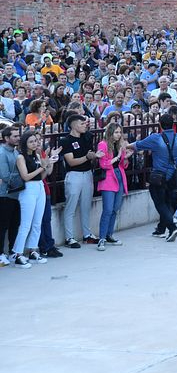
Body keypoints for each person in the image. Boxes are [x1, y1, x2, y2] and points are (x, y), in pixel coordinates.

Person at [128, 113, 177, 241]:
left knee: (160, 203)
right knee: (167, 202)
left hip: (158, 176)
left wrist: (124, 145)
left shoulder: (155, 138)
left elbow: (136, 145)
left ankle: (172, 228)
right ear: (173, 124)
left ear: (160, 125)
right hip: (174, 176)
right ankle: (161, 229)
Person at [11, 130, 59, 268]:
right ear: (24, 143)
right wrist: (42, 167)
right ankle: (17, 253)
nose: (35, 143)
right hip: (28, 190)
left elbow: (43, 175)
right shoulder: (21, 157)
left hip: (39, 187)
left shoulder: (37, 155)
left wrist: (49, 162)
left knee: (37, 222)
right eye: (31, 141)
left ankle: (33, 250)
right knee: (26, 223)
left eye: (36, 141)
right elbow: (25, 176)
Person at [60, 114, 100, 247]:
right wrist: (87, 157)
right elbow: (71, 161)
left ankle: (87, 234)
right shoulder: (65, 141)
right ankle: (69, 237)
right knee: (70, 207)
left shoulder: (87, 137)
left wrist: (93, 156)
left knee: (86, 206)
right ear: (74, 125)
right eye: (82, 124)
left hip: (87, 174)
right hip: (74, 175)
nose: (85, 126)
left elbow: (90, 154)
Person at [96, 122, 131, 251]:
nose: (118, 135)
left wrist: (125, 156)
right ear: (110, 132)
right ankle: (102, 238)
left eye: (119, 132)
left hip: (119, 176)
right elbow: (104, 163)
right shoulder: (103, 144)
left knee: (115, 208)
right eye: (116, 132)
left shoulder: (119, 145)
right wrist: (117, 157)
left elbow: (122, 164)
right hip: (108, 179)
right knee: (108, 209)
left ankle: (109, 234)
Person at [0, 127, 22, 267]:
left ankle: (12, 252)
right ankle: (1, 254)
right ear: (6, 138)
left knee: (15, 224)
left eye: (18, 136)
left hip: (16, 194)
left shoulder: (15, 151)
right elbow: (5, 176)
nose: (18, 138)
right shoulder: (2, 153)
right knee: (3, 226)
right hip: (5, 195)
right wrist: (23, 176)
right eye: (15, 136)